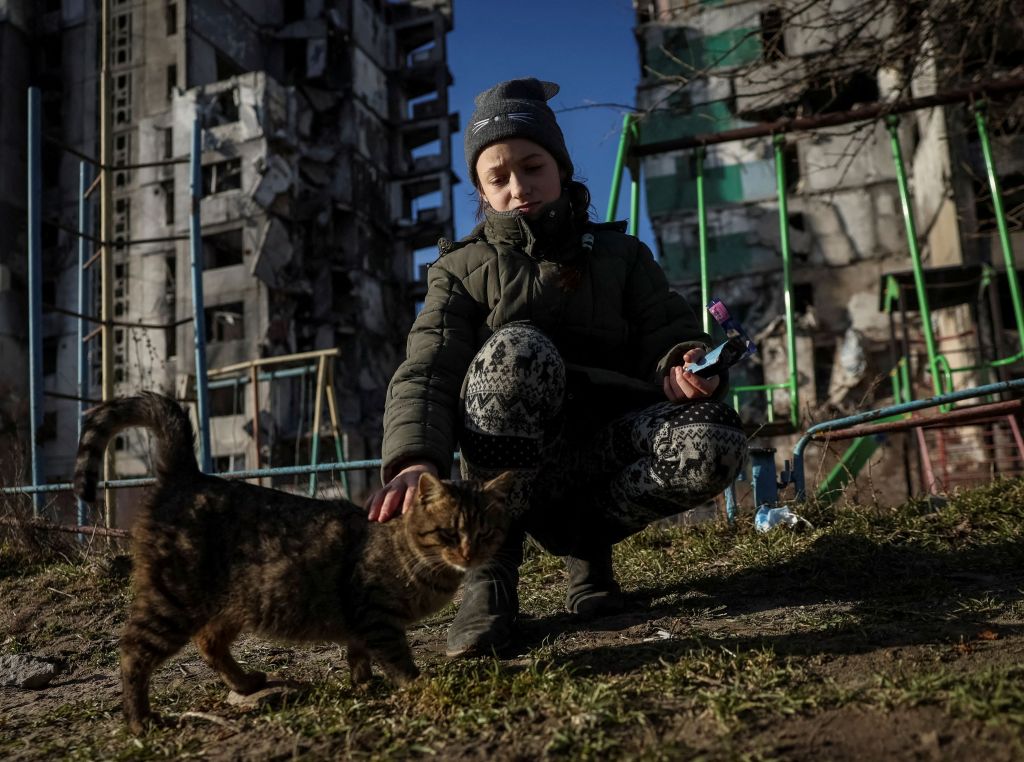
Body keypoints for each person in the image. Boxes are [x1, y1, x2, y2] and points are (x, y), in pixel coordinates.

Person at [365, 78, 747, 657]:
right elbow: (427, 367)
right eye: (498, 177)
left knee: (716, 440)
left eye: (532, 166)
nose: (518, 187)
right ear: (482, 191)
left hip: (604, 449)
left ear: (561, 168)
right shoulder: (460, 271)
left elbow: (667, 332)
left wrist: (685, 363)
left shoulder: (623, 256)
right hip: (508, 471)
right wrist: (416, 458)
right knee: (517, 348)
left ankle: (589, 553)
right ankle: (489, 583)